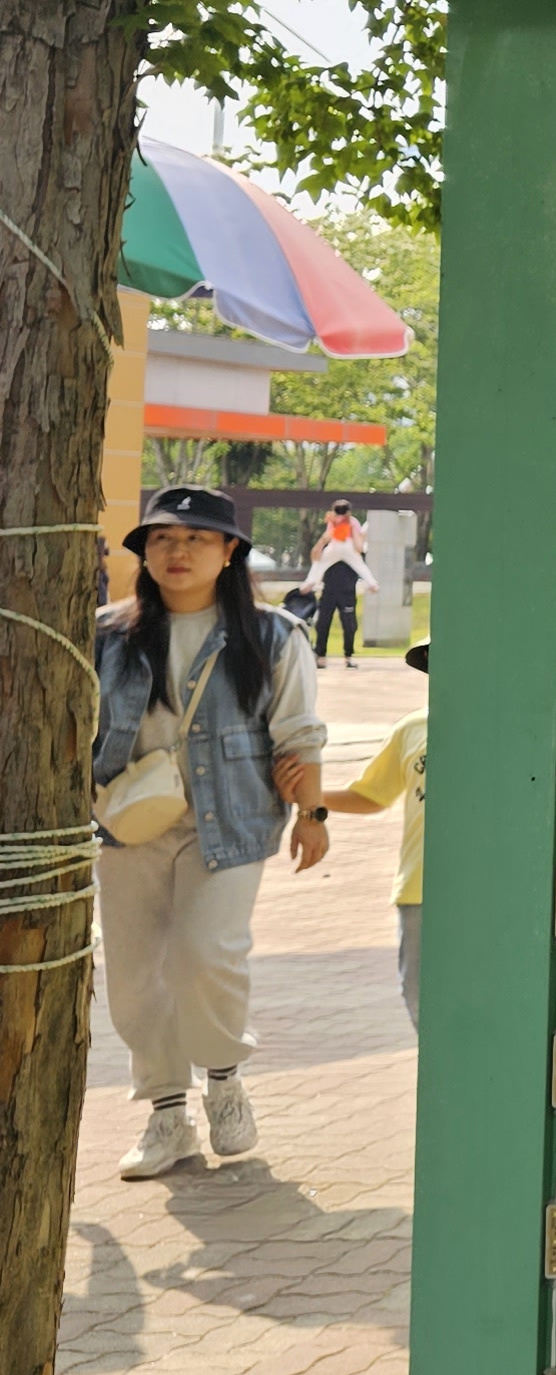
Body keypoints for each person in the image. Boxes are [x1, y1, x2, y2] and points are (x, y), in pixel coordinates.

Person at [87, 487, 331, 1178]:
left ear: (229, 552)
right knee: (135, 977)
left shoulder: (273, 635)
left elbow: (299, 733)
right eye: (163, 538)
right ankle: (167, 1115)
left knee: (206, 953)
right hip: (130, 824)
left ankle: (223, 1079)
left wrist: (313, 815)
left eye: (197, 538)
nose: (178, 551)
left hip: (231, 822)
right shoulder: (107, 634)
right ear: (144, 554)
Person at [322, 639, 431, 1022]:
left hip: (486, 888)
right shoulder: (413, 729)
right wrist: (309, 797)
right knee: (418, 994)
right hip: (420, 885)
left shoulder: (502, 728)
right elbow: (371, 795)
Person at [303, 506, 368, 663]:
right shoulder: (329, 539)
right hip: (329, 590)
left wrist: (352, 529)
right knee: (322, 623)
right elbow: (315, 557)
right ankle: (321, 656)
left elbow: (359, 549)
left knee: (349, 625)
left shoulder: (352, 540)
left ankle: (348, 656)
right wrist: (324, 539)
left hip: (347, 590)